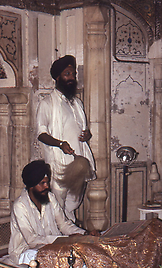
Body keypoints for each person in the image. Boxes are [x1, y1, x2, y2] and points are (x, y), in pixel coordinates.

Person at [36, 55, 96, 222]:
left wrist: (88, 134)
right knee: (57, 206)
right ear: (57, 77)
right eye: (67, 74)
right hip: (59, 164)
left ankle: (70, 238)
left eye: (73, 74)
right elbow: (41, 133)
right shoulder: (47, 103)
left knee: (73, 205)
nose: (72, 78)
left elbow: (81, 129)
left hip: (79, 163)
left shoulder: (77, 103)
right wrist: (60, 144)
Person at [8, 160, 98, 266]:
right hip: (26, 251)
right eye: (42, 183)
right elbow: (31, 240)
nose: (47, 186)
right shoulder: (20, 205)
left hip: (52, 246)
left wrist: (85, 234)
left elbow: (64, 224)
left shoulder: (50, 197)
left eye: (47, 182)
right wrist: (65, 240)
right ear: (31, 186)